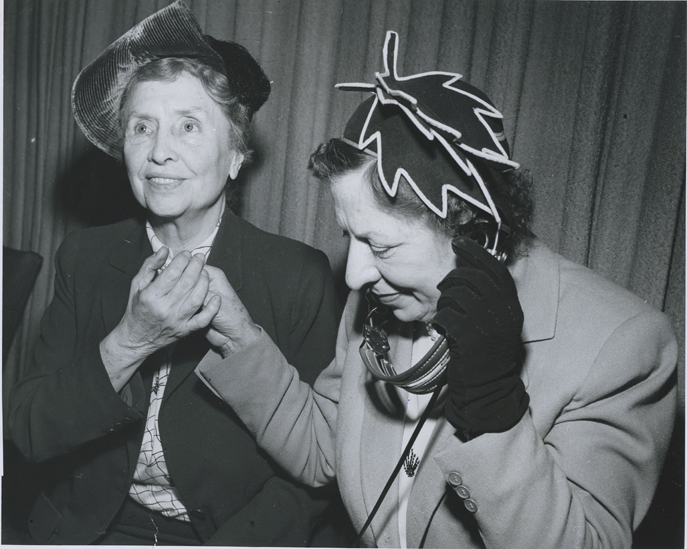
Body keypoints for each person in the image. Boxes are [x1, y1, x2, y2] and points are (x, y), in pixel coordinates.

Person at [193, 31, 678, 548]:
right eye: (348, 237)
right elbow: (322, 450)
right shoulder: (382, 296)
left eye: (380, 246)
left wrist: (496, 410)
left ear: (471, 229)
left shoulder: (624, 345)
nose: (354, 276)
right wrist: (241, 337)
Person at [8, 1, 342, 545]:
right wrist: (128, 342)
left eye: (188, 125)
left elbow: (315, 478)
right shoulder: (85, 257)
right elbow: (24, 432)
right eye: (142, 127)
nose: (159, 151)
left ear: (235, 155)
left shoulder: (296, 276)